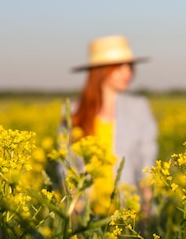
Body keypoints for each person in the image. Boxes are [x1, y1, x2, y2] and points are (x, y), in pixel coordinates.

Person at [61, 35, 158, 215]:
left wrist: (147, 207)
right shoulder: (73, 111)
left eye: (129, 66)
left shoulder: (139, 108)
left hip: (128, 213)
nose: (127, 72)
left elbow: (147, 162)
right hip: (86, 215)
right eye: (119, 67)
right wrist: (74, 212)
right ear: (100, 71)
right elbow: (67, 166)